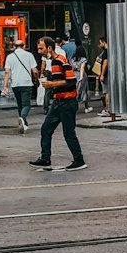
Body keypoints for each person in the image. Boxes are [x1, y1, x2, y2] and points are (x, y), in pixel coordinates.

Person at [30, 36, 86, 171]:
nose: (39, 51)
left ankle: (79, 160)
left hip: (67, 102)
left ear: (49, 48)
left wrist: (51, 84)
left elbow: (72, 80)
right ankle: (45, 158)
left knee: (68, 133)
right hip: (58, 102)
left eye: (41, 48)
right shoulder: (54, 62)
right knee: (46, 129)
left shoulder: (60, 61)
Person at [2, 39, 39, 133]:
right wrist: (37, 79)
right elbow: (34, 71)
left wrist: (5, 86)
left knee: (20, 104)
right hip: (26, 83)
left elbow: (7, 72)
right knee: (26, 104)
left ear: (14, 47)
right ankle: (22, 118)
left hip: (15, 84)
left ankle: (24, 123)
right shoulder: (29, 55)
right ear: (24, 46)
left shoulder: (9, 57)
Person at [93, 36, 109, 113]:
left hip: (106, 75)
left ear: (104, 42)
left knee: (107, 92)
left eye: (100, 43)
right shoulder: (109, 51)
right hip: (110, 74)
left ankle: (108, 109)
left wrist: (102, 74)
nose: (99, 45)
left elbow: (105, 63)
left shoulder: (106, 52)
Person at [73, 43, 89, 112]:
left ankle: (74, 105)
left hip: (74, 74)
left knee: (75, 90)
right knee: (84, 90)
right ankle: (86, 106)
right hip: (81, 74)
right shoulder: (83, 59)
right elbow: (82, 68)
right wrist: (81, 76)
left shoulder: (73, 59)